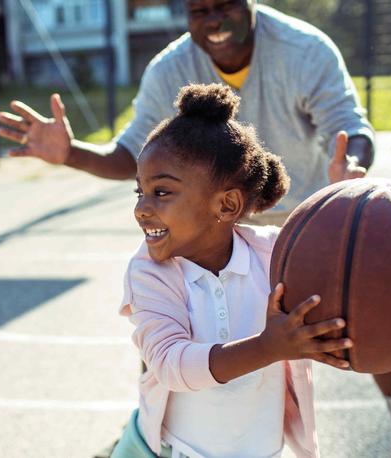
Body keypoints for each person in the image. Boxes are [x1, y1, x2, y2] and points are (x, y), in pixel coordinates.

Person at [0, 2, 391, 456]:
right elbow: (131, 153)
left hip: (299, 223)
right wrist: (71, 153)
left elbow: (349, 126)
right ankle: (153, 434)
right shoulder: (170, 68)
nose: (212, 20)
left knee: (369, 308)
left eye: (223, 5)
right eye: (198, 9)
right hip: (196, 225)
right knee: (166, 337)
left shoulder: (304, 49)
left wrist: (351, 167)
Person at [113, 83, 351, 458]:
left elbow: (340, 269)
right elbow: (171, 364)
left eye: (161, 192)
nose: (141, 208)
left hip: (264, 450)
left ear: (226, 205)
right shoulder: (149, 272)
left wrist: (346, 204)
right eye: (139, 191)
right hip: (182, 451)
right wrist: (268, 347)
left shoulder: (274, 254)